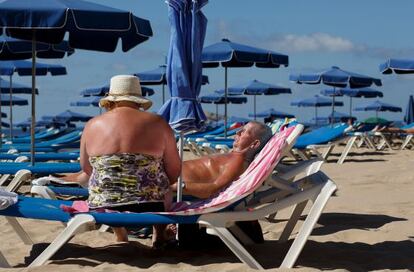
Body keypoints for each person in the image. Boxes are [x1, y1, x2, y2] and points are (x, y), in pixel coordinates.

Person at [80, 75, 181, 245]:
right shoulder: (157, 122)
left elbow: (86, 168)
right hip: (151, 206)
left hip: (104, 207)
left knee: (104, 180)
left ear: (110, 101)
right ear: (139, 100)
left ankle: (120, 233)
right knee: (161, 182)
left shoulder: (92, 125)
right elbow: (174, 172)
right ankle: (159, 233)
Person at [171, 121, 273, 198]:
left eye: (244, 132)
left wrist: (178, 186)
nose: (237, 132)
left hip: (171, 184)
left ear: (254, 144)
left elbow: (214, 189)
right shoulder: (233, 157)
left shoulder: (238, 162)